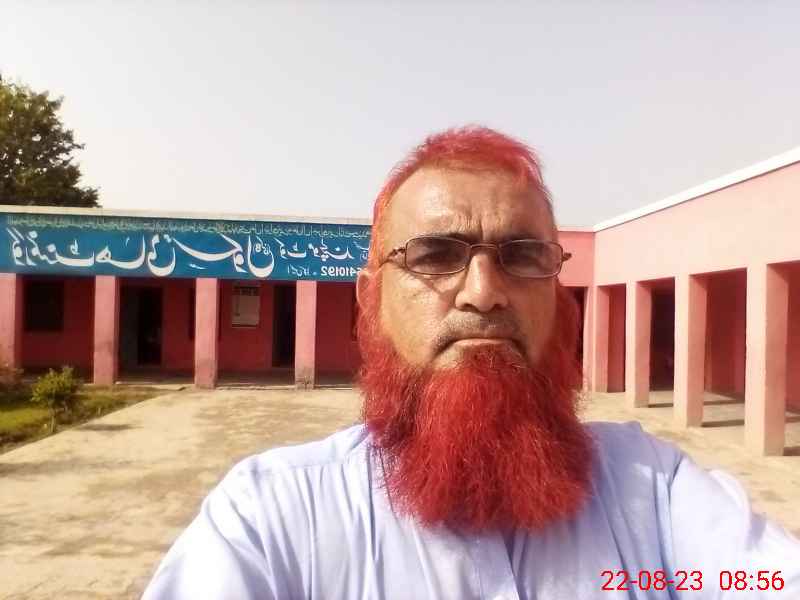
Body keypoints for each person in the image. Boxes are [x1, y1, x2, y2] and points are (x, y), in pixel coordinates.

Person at [142, 127, 799, 599]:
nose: (483, 293)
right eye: (435, 256)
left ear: (559, 298)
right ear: (370, 302)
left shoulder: (652, 490)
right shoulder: (272, 521)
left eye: (523, 256)